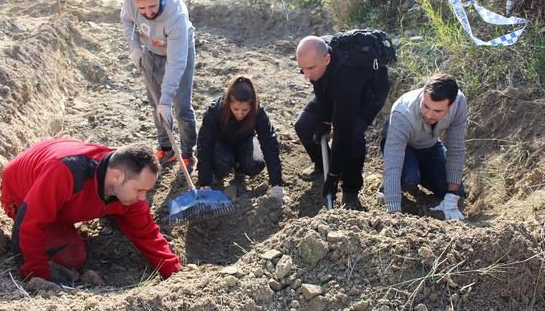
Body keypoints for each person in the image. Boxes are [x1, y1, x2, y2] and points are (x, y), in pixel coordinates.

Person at [0, 138, 181, 281]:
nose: (143, 198)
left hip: (57, 160)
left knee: (129, 211)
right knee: (72, 255)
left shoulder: (122, 173)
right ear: (117, 176)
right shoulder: (66, 173)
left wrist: (173, 272)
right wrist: (37, 277)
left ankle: (109, 211)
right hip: (21, 193)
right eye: (139, 190)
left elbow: (146, 232)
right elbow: (29, 224)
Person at [294, 35, 390, 210]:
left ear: (327, 59)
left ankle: (350, 191)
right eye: (302, 69)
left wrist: (333, 176)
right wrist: (324, 122)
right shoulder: (319, 62)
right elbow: (320, 88)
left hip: (369, 94)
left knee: (352, 137)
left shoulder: (346, 75)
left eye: (310, 68)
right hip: (336, 87)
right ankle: (322, 164)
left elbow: (342, 133)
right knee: (305, 124)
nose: (306, 76)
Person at [120, 0, 197, 172]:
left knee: (180, 106)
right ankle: (166, 148)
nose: (148, 13)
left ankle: (187, 154)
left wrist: (166, 100)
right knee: (156, 104)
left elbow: (176, 62)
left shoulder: (176, 16)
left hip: (179, 53)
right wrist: (134, 46)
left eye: (152, 7)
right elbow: (127, 20)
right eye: (142, 8)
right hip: (151, 51)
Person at [383, 73, 467, 220]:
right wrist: (394, 212)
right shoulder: (403, 112)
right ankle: (388, 188)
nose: (429, 114)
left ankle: (421, 172)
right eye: (426, 106)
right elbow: (393, 163)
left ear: (451, 105)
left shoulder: (459, 103)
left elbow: (456, 147)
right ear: (423, 94)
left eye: (437, 111)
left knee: (456, 189)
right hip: (403, 147)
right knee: (409, 179)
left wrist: (452, 196)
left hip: (430, 146)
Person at [197, 76, 285, 203]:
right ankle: (218, 175)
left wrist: (277, 184)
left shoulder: (258, 112)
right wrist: (204, 183)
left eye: (245, 110)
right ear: (229, 103)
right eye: (236, 109)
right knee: (222, 163)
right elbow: (204, 145)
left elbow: (269, 143)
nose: (240, 113)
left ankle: (240, 170)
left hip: (245, 141)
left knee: (255, 163)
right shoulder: (215, 111)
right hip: (221, 144)